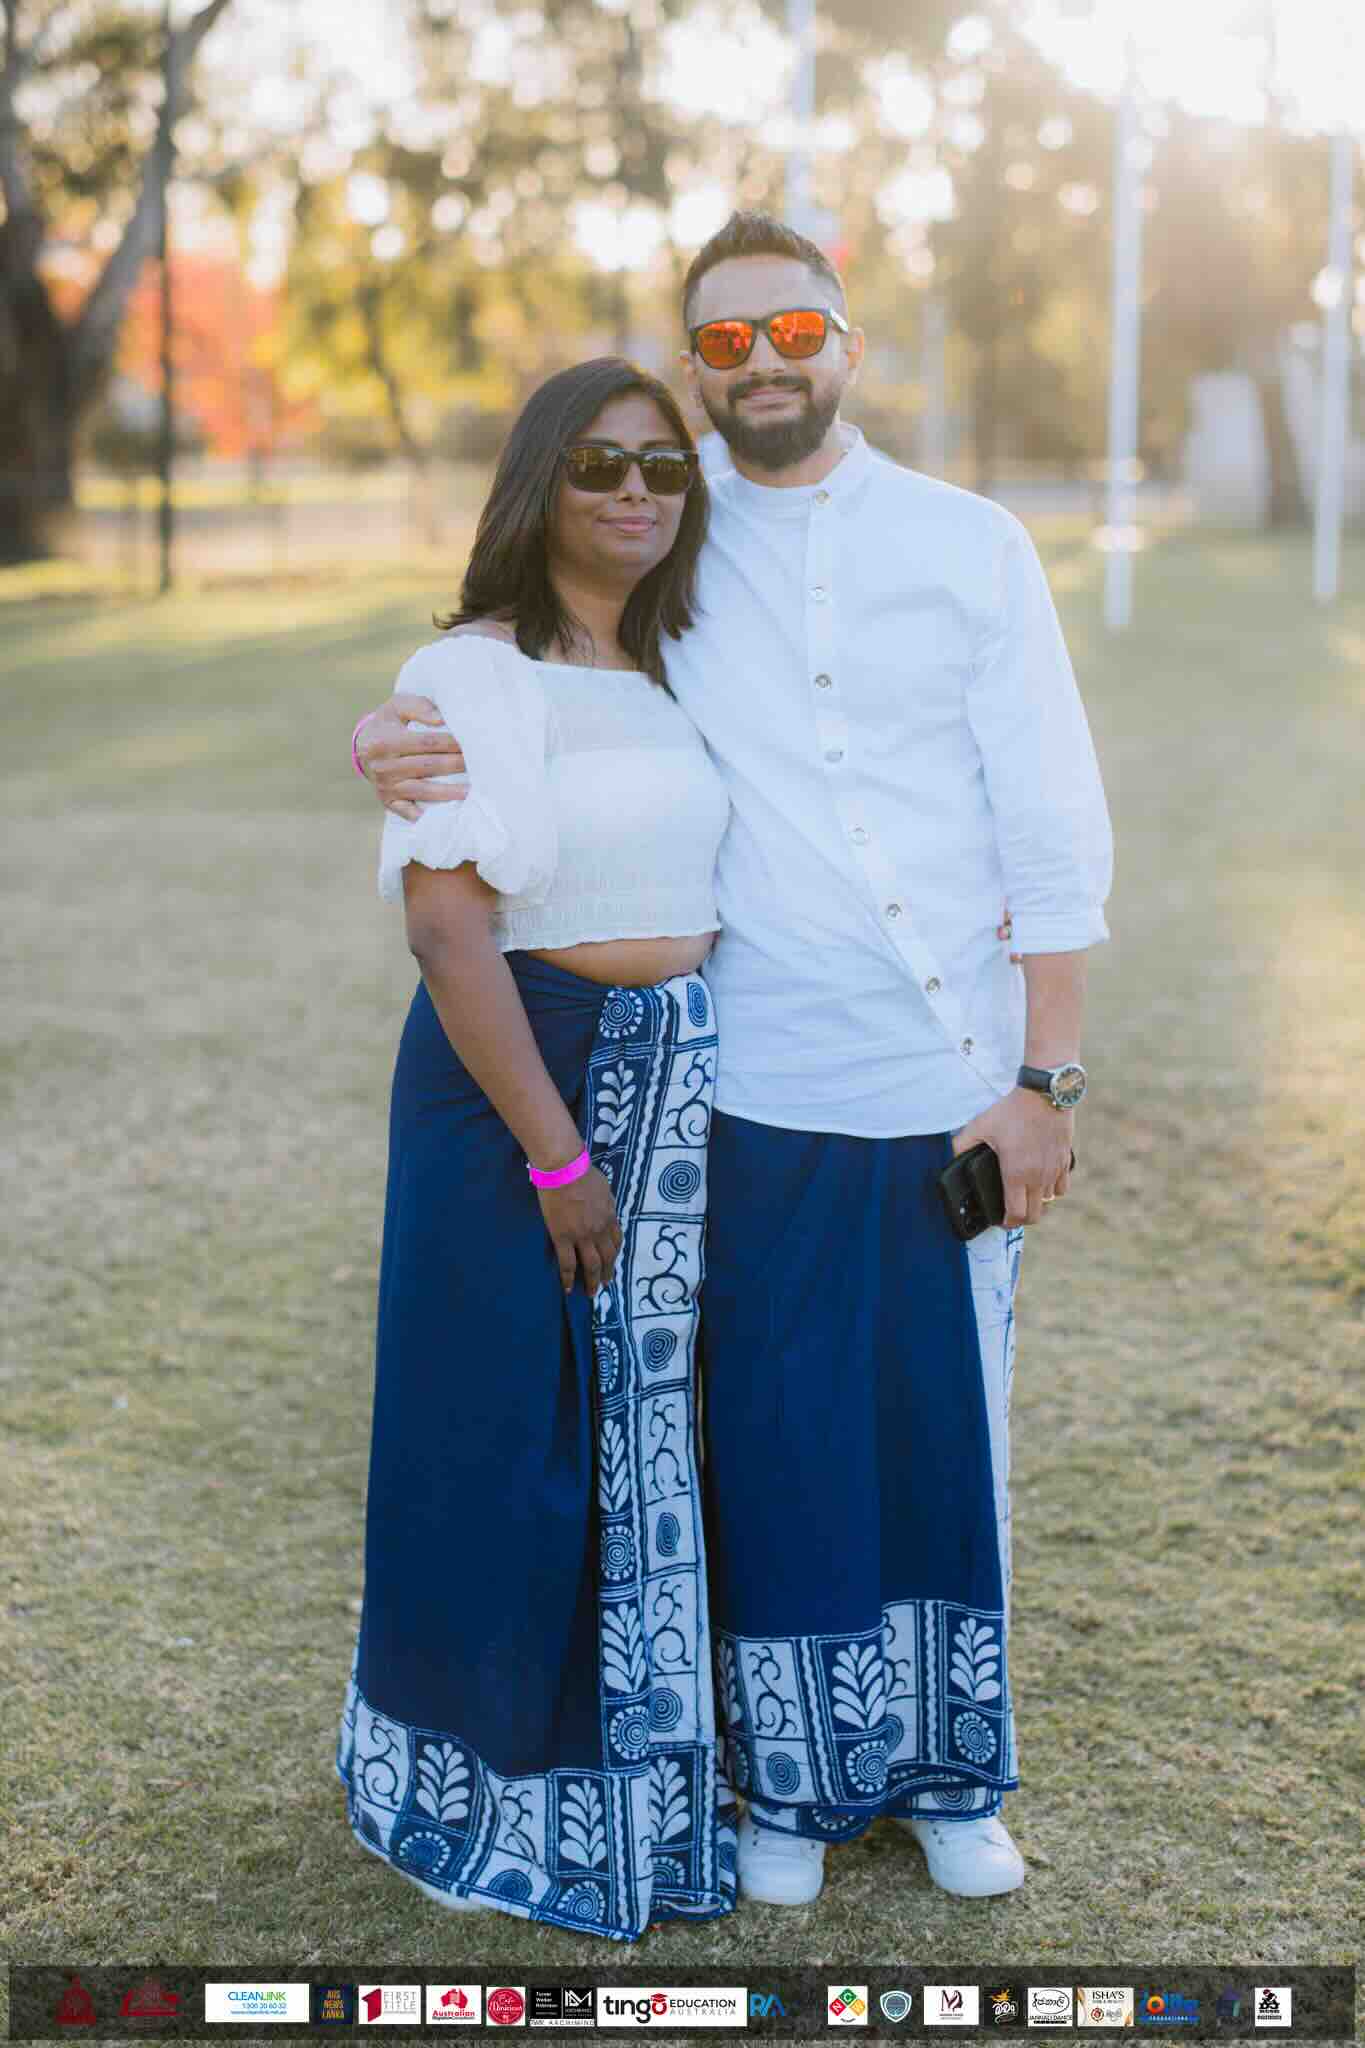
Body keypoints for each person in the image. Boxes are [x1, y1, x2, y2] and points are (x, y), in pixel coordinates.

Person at [353, 212, 1114, 1907]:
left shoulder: (968, 544)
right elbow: (517, 678)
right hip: (744, 1086)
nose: (762, 364)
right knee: (765, 1437)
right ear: (694, 364)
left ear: (846, 339)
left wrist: (1044, 1079)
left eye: (795, 333)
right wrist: (394, 724)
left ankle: (949, 1777)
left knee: (946, 1435)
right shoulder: (676, 562)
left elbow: (1050, 824)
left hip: (949, 1074)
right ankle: (785, 1787)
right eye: (725, 344)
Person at [334, 357, 738, 1941]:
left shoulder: (677, 670)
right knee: (499, 1435)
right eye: (597, 468)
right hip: (521, 1090)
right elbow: (448, 926)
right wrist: (559, 1159)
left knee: (643, 1450)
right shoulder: (473, 673)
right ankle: (476, 1792)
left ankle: (639, 1780)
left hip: (669, 1087)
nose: (635, 494)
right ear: (538, 489)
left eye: (659, 470)